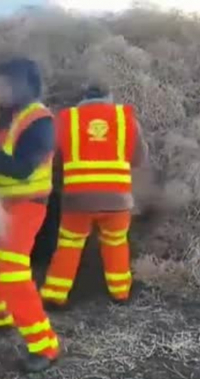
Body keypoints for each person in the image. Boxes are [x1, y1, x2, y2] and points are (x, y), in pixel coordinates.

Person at [0, 57, 60, 373]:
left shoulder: (40, 122)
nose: (1, 88)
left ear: (28, 86)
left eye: (8, 83)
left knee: (11, 268)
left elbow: (23, 169)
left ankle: (44, 346)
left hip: (28, 203)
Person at [40, 82, 148, 309]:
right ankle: (120, 294)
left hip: (77, 201)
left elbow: (53, 159)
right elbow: (139, 158)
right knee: (116, 243)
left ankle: (54, 295)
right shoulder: (124, 118)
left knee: (69, 244)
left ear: (83, 98)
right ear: (109, 97)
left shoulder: (66, 120)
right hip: (117, 201)